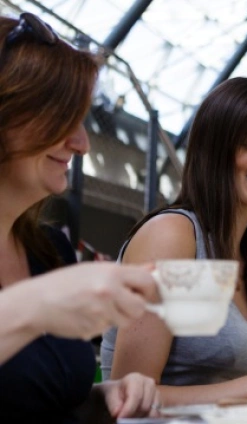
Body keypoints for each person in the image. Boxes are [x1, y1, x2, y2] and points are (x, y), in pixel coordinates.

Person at [101, 77, 247, 405]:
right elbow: (129, 395)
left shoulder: (241, 253)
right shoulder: (176, 237)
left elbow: (211, 377)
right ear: (216, 149)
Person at [0, 13, 160, 421]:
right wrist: (34, 305)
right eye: (62, 118)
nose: (83, 143)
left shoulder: (50, 250)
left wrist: (103, 396)